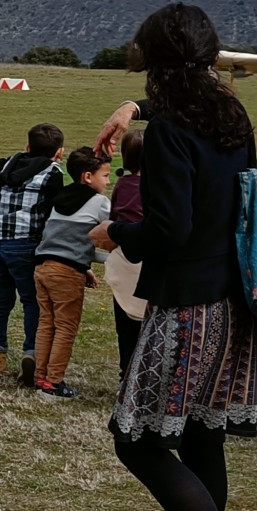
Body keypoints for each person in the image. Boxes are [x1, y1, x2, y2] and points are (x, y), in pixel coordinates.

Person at [89, 2, 257, 511]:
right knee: (203, 442)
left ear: (154, 55)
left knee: (137, 441)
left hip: (188, 305)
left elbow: (167, 230)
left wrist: (116, 231)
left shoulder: (172, 132)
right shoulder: (231, 115)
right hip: (233, 300)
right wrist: (132, 109)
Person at [0, 123, 66, 387]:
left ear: (28, 147)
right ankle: (32, 353)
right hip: (26, 243)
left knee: (1, 296)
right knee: (32, 301)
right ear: (59, 153)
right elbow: (53, 209)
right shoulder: (53, 173)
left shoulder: (7, 165)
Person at [31, 146, 112, 399]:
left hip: (43, 267)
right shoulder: (99, 203)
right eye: (106, 175)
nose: (108, 181)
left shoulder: (61, 199)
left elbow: (63, 237)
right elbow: (114, 226)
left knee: (46, 324)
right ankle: (54, 382)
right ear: (88, 177)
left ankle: (40, 376)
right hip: (66, 273)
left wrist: (84, 267)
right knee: (66, 327)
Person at [105, 128, 148, 381]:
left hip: (123, 259)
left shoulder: (121, 184)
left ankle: (126, 376)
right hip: (149, 262)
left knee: (126, 326)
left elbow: (113, 217)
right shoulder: (158, 187)